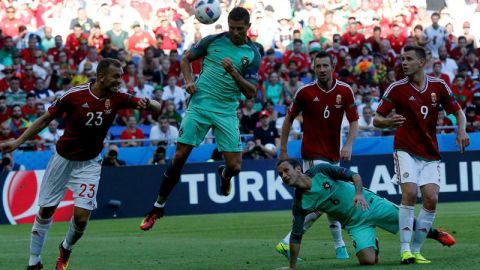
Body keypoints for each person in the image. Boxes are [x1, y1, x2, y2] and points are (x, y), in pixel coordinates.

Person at [0, 58, 161, 270]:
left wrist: (148, 103)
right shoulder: (74, 95)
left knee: (82, 219)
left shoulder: (118, 97)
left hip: (89, 163)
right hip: (62, 160)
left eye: (121, 76)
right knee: (46, 210)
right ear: (101, 77)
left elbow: (158, 108)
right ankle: (34, 261)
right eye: (116, 76)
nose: (120, 80)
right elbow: (45, 119)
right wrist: (18, 141)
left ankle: (66, 247)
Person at [140, 7, 261, 231]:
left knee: (234, 167)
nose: (235, 32)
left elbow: (251, 92)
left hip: (226, 111)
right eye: (232, 28)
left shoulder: (253, 53)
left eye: (240, 29)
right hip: (200, 105)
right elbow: (186, 59)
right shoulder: (211, 41)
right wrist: (188, 80)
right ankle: (157, 207)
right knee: (179, 156)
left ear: (248, 28)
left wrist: (234, 72)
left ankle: (224, 177)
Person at [373, 45, 469, 264]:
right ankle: (404, 249)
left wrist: (461, 129)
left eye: (408, 59)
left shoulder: (439, 85)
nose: (403, 63)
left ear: (422, 62)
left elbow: (458, 113)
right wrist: (388, 121)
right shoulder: (396, 88)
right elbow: (376, 118)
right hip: (405, 148)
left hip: (429, 151)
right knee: (409, 192)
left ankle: (416, 250)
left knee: (431, 198)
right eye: (402, 59)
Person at [275, 159, 456, 269]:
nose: (283, 176)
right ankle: (373, 243)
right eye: (280, 174)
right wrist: (292, 267)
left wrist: (359, 194)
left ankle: (435, 233)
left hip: (370, 204)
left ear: (298, 169)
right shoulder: (300, 203)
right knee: (368, 262)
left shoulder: (320, 170)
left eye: (286, 171)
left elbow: (355, 176)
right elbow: (296, 236)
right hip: (354, 224)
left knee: (408, 222)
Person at [276, 51, 359, 260]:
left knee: (332, 199)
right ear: (314, 67)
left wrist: (348, 144)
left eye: (325, 66)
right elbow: (288, 120)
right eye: (318, 66)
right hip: (313, 155)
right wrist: (283, 150)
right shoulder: (305, 92)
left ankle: (339, 246)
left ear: (333, 66)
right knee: (323, 202)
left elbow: (355, 121)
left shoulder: (345, 91)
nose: (321, 69)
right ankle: (288, 242)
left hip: (333, 154)